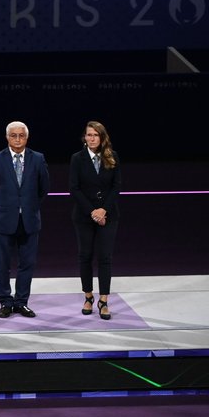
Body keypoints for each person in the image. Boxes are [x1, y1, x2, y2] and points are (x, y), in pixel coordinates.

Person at [0, 120, 49, 318]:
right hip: (4, 219)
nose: (18, 139)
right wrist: (5, 207)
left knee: (27, 263)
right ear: (7, 137)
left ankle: (21, 302)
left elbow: (43, 188)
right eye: (14, 135)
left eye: (21, 135)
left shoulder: (38, 159)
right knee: (2, 264)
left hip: (29, 220)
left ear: (27, 138)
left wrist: (29, 207)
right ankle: (5, 301)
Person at [70, 121, 121, 321]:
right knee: (85, 255)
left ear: (102, 137)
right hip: (84, 216)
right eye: (88, 135)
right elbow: (74, 188)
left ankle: (104, 301)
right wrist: (93, 211)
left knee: (105, 257)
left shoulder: (112, 157)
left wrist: (103, 210)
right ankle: (88, 297)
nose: (91, 138)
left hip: (109, 216)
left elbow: (116, 186)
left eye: (95, 135)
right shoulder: (77, 159)